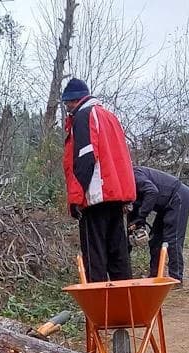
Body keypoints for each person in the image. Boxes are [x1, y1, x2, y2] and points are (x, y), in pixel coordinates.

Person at [60, 78, 136, 283]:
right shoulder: (109, 116)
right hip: (116, 196)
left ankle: (101, 311)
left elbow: (84, 159)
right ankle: (127, 307)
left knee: (95, 259)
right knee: (118, 256)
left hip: (95, 197)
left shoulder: (84, 116)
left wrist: (76, 199)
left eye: (67, 104)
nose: (67, 109)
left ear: (73, 101)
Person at [130, 165, 189, 282]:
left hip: (178, 195)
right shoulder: (128, 186)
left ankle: (176, 278)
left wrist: (141, 216)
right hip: (164, 204)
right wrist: (136, 223)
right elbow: (136, 208)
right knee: (155, 240)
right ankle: (155, 276)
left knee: (172, 239)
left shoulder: (134, 175)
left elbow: (152, 191)